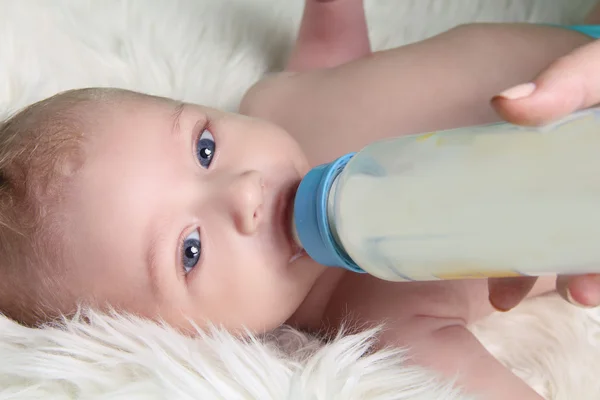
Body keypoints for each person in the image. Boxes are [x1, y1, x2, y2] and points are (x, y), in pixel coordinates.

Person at [0, 0, 599, 398]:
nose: (242, 193)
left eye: (204, 149)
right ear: (188, 341)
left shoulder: (275, 107)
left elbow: (337, 59)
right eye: (189, 251)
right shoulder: (388, 314)